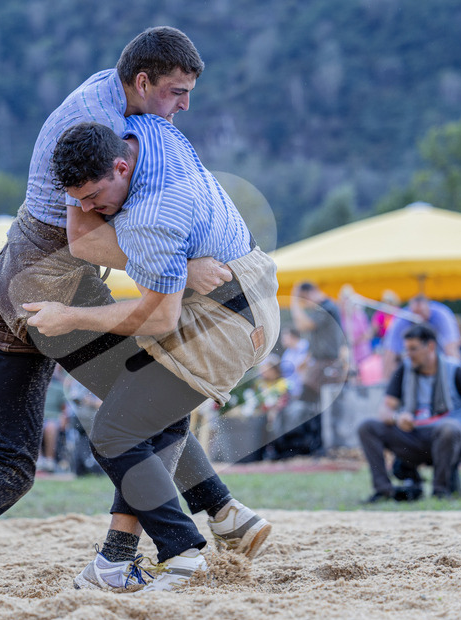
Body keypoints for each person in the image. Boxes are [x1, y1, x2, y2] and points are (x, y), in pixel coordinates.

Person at [0, 27, 270, 598]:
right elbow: (84, 238)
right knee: (153, 404)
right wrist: (183, 264)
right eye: (177, 92)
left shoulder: (116, 107)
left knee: (10, 461)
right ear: (142, 82)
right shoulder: (98, 130)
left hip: (7, 280)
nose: (184, 106)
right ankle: (173, 537)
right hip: (49, 280)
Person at [25, 114, 280, 590]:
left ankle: (182, 552)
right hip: (250, 294)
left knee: (114, 433)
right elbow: (84, 233)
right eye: (79, 200)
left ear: (121, 168)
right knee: (144, 418)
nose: (89, 208)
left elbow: (157, 316)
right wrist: (182, 267)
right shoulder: (153, 132)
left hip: (224, 321)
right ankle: (222, 518)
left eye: (93, 197)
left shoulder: (147, 220)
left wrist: (71, 316)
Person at [358, 324, 461, 502]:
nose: (409, 354)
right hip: (413, 436)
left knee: (449, 428)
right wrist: (397, 418)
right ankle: (384, 490)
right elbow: (385, 409)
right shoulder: (404, 369)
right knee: (367, 427)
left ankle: (441, 490)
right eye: (406, 349)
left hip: (450, 439)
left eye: (413, 349)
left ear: (430, 346)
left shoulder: (455, 370)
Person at [290, 281, 349, 404]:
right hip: (321, 363)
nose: (304, 303)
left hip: (328, 363)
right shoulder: (320, 309)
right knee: (312, 401)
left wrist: (294, 301)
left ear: (311, 293)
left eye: (304, 298)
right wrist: (306, 360)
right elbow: (301, 326)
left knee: (309, 400)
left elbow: (306, 325)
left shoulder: (327, 307)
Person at [382, 294, 461, 378]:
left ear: (428, 309)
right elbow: (390, 353)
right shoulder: (402, 320)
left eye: (421, 313)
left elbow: (452, 350)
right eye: (415, 313)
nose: (418, 318)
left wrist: (456, 377)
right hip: (412, 366)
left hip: (439, 362)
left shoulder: (442, 316)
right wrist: (388, 382)